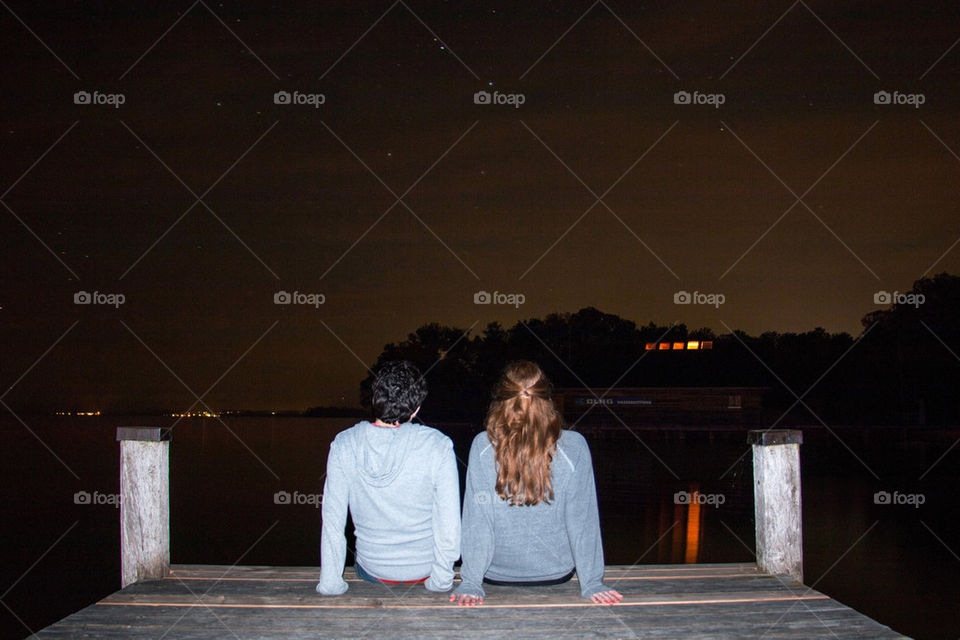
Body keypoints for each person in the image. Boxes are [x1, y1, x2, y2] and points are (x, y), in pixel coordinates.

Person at [451, 361, 622, 606]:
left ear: (500, 399)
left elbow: (478, 522)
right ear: (547, 398)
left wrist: (471, 582)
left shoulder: (482, 446)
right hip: (556, 573)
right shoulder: (575, 446)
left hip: (493, 575)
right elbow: (582, 522)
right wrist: (592, 582)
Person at [316, 360, 460, 594]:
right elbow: (449, 523)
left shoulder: (344, 443)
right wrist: (441, 579)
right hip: (425, 569)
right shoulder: (438, 445)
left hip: (371, 570)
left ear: (374, 400)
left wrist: (331, 582)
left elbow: (333, 520)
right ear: (416, 409)